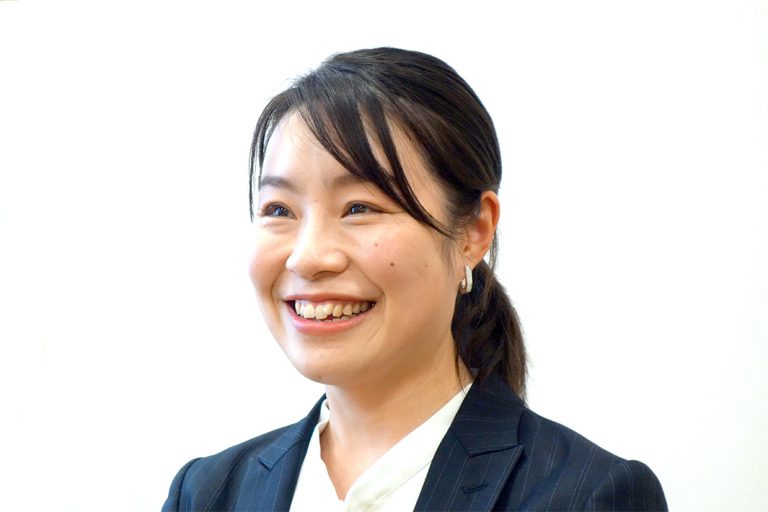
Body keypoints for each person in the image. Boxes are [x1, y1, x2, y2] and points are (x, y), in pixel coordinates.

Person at [162, 47, 667, 511]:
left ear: (473, 231)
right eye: (279, 209)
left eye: (359, 207)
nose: (308, 257)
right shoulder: (207, 493)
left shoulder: (588, 496)